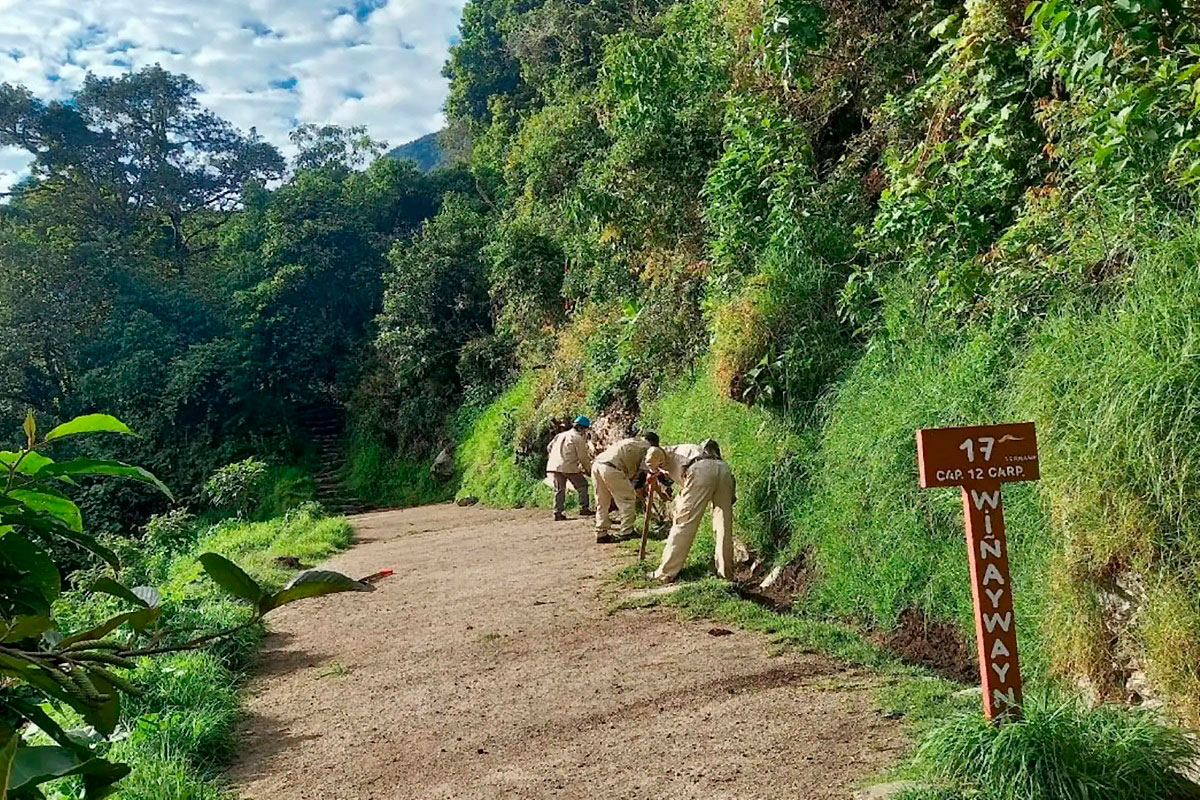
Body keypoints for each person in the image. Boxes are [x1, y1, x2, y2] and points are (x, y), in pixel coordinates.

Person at [652, 439, 736, 583]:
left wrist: (651, 468)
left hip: (701, 471)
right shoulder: (687, 451)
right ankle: (725, 573)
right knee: (723, 524)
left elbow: (654, 452)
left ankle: (666, 573)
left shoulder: (669, 453)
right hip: (723, 468)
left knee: (684, 522)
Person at [592, 431, 660, 544]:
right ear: (654, 443)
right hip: (613, 468)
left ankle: (601, 533)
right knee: (628, 499)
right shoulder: (648, 448)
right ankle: (627, 531)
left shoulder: (632, 441)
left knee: (602, 501)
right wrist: (638, 487)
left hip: (597, 465)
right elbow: (644, 471)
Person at [546, 416, 594, 521]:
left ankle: (558, 512)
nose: (585, 432)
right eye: (585, 429)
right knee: (582, 485)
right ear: (580, 428)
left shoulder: (560, 435)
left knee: (559, 490)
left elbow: (549, 447)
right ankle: (584, 508)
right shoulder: (577, 438)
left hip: (554, 466)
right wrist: (589, 470)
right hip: (569, 466)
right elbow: (583, 457)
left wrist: (555, 457)